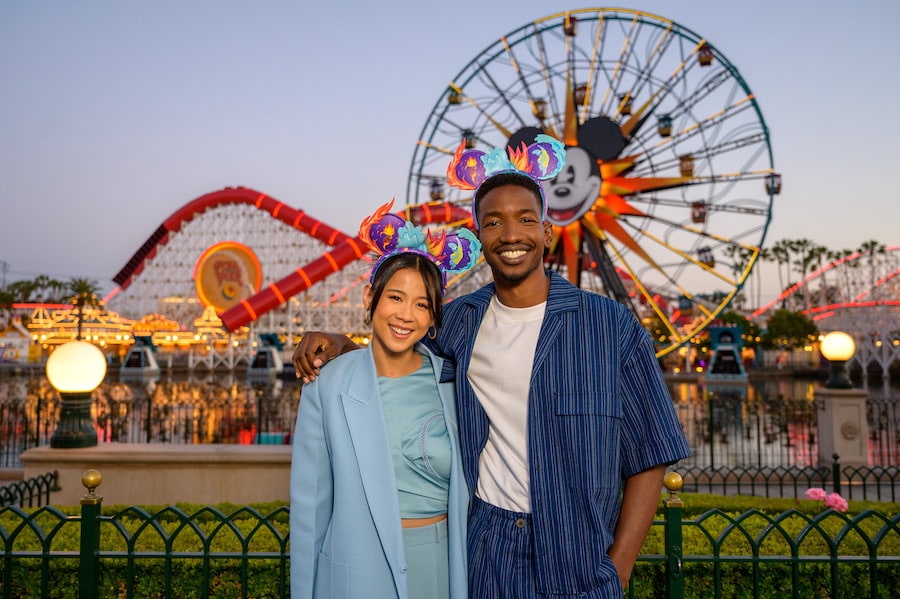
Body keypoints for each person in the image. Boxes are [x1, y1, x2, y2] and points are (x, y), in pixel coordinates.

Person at [294, 137, 691, 598]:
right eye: (493, 222)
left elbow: (651, 453)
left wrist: (618, 569)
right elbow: (400, 347)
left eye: (525, 219)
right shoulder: (459, 322)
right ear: (478, 236)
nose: (510, 234)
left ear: (547, 231)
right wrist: (345, 346)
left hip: (578, 555)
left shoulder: (610, 326)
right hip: (486, 550)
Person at [289, 200, 481, 599]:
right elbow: (309, 511)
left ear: (433, 317)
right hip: (355, 572)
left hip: (440, 568)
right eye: (395, 298)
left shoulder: (455, 381)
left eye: (422, 304)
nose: (405, 315)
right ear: (368, 298)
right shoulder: (327, 384)